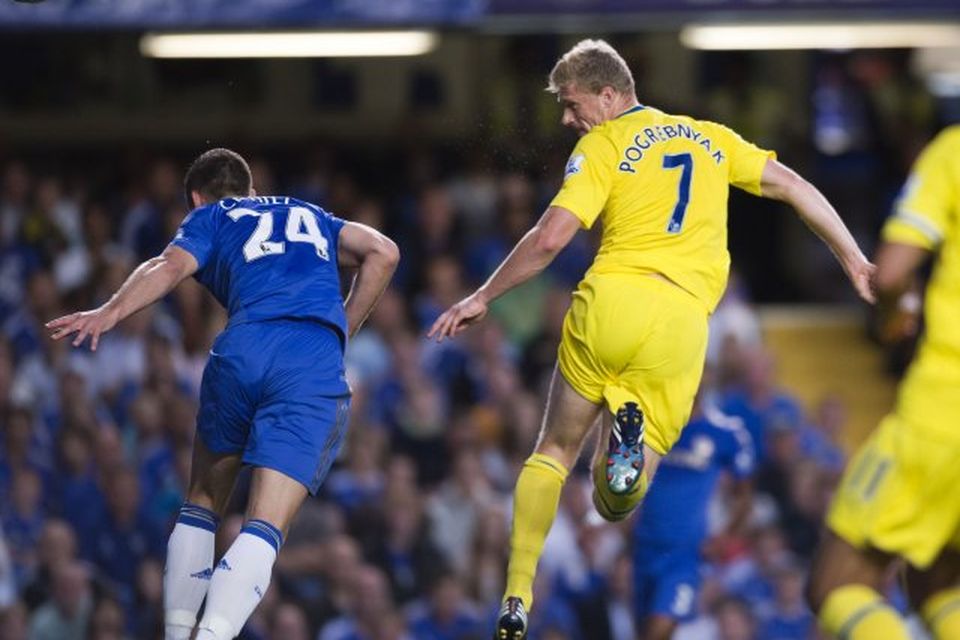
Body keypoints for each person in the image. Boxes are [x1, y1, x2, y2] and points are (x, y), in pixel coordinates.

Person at [427, 39, 874, 639]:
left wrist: (482, 295)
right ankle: (627, 433)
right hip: (681, 325)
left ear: (609, 96)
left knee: (553, 453)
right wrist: (853, 259)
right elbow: (791, 184)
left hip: (610, 302)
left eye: (572, 103)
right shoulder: (711, 137)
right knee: (618, 505)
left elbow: (551, 237)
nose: (566, 118)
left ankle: (516, 597)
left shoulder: (601, 145)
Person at [46, 148, 399, 640]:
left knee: (203, 501)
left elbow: (166, 266)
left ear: (195, 198)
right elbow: (384, 251)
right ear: (252, 190)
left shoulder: (211, 217)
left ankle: (177, 633)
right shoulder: (309, 214)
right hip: (309, 361)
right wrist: (343, 327)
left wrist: (110, 310)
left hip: (243, 349)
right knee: (265, 525)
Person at [807, 125, 960, 640]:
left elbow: (891, 272)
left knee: (837, 584)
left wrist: (897, 312)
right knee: (938, 580)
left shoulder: (953, 153)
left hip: (942, 415)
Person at [633, 394, 755, 640]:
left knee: (659, 630)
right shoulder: (648, 423)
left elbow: (745, 497)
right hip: (642, 547)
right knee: (642, 630)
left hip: (685, 555)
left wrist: (725, 537)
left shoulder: (725, 431)